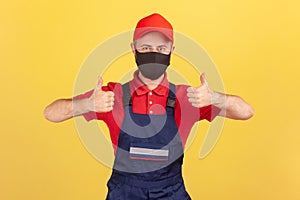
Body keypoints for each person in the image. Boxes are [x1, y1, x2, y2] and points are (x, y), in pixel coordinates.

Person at [44, 13, 254, 200]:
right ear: (133, 49)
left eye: (161, 48)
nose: (154, 53)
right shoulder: (111, 95)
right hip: (123, 193)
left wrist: (215, 98)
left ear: (171, 50)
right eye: (146, 48)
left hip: (171, 193)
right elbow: (51, 113)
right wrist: (87, 104)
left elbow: (246, 112)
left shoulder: (188, 97)